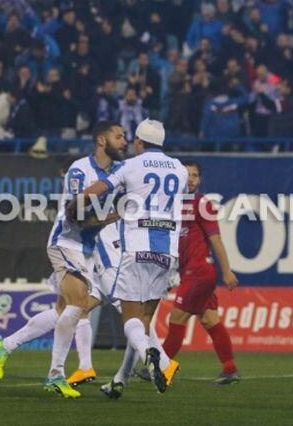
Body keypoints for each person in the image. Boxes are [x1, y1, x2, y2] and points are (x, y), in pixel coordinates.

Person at [0, 121, 127, 399]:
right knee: (78, 305)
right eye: (119, 136)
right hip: (66, 242)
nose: (125, 141)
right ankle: (56, 375)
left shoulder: (120, 171)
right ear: (102, 140)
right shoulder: (79, 170)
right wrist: (113, 216)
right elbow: (74, 215)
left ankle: (5, 345)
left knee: (67, 311)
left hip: (90, 249)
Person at [69, 119, 187, 396]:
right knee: (145, 320)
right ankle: (122, 379)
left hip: (136, 247)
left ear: (139, 142)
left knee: (132, 320)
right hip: (167, 251)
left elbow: (99, 189)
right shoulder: (180, 169)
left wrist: (76, 203)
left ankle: (151, 355)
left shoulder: (131, 166)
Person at [160, 160, 240, 384]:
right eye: (187, 175)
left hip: (199, 271)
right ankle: (230, 368)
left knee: (177, 317)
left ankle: (159, 368)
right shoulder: (172, 203)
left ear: (200, 179)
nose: (191, 179)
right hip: (189, 272)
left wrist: (227, 271)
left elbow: (216, 239)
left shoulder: (202, 203)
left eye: (195, 175)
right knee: (209, 319)